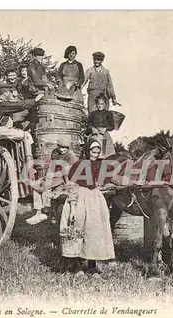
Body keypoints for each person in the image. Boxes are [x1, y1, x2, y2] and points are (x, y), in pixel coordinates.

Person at [60, 140, 116, 280]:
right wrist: (73, 208)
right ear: (87, 151)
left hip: (95, 199)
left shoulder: (100, 164)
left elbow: (112, 178)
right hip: (80, 197)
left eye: (98, 152)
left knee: (94, 232)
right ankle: (77, 266)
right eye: (93, 152)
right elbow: (72, 185)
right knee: (78, 229)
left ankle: (92, 267)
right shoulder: (80, 165)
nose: (95, 155)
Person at [26, 137, 79, 225]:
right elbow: (52, 165)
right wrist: (48, 175)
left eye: (65, 148)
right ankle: (38, 211)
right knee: (37, 184)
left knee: (47, 187)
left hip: (65, 177)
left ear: (68, 148)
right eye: (61, 147)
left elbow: (68, 171)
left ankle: (46, 210)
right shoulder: (55, 152)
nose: (62, 150)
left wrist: (53, 175)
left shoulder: (71, 155)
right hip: (55, 175)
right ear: (57, 146)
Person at [87, 93, 116, 159]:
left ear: (105, 104)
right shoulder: (92, 114)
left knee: (108, 155)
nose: (100, 105)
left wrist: (105, 129)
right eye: (98, 104)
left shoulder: (108, 114)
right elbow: (89, 124)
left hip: (104, 135)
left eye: (102, 104)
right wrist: (92, 128)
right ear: (96, 104)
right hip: (94, 135)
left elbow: (112, 126)